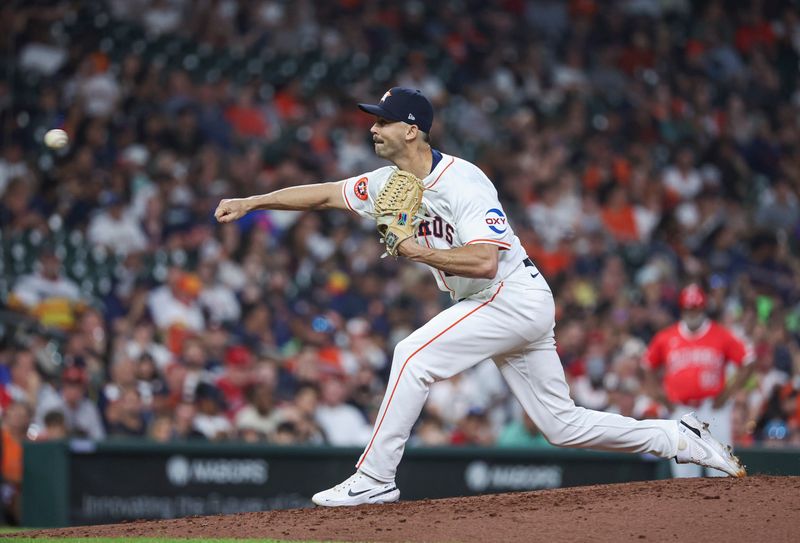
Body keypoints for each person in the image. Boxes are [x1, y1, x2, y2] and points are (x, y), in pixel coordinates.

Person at [214, 87, 745, 507]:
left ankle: (374, 478)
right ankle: (680, 438)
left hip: (507, 293)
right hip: (504, 303)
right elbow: (327, 193)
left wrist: (414, 252)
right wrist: (254, 200)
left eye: (381, 120)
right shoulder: (388, 182)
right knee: (562, 426)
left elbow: (485, 261)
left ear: (412, 129)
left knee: (411, 356)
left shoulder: (463, 181)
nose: (372, 127)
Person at [643, 283, 755, 477]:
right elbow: (647, 365)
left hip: (713, 408)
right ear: (682, 309)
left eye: (695, 308)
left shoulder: (721, 334)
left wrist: (728, 392)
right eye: (688, 309)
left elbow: (748, 361)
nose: (692, 313)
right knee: (685, 474)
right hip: (681, 409)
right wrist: (660, 397)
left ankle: (726, 508)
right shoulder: (666, 336)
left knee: (723, 471)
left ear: (703, 308)